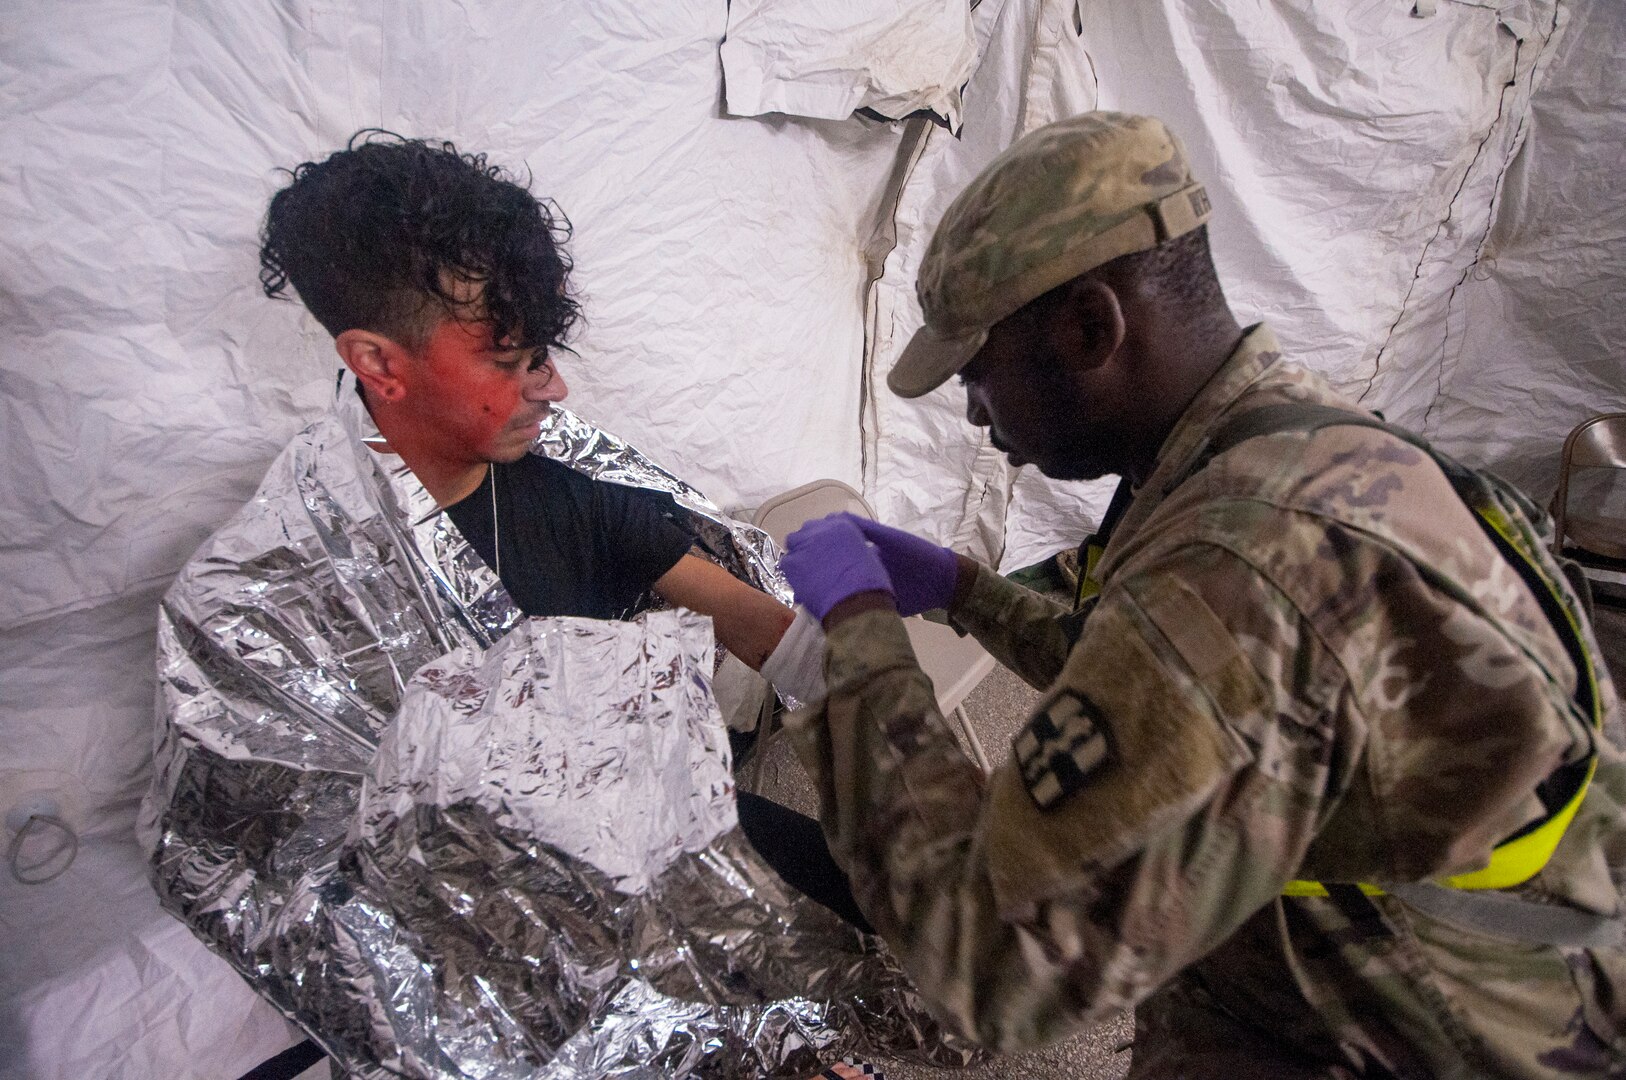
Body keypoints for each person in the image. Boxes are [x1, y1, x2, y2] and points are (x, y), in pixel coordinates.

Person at [777, 111, 1626, 1078]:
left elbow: (995, 961)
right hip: (1370, 973)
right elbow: (1163, 686)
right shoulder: (1284, 437)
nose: (976, 412)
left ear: (1093, 326)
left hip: (1425, 1037)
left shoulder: (1248, 564)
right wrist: (965, 589)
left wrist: (860, 636)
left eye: (981, 373)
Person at [258, 131, 869, 932]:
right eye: (515, 360)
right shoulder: (298, 572)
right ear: (378, 363)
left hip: (639, 830)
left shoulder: (570, 497)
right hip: (466, 925)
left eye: (545, 351)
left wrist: (901, 710)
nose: (556, 388)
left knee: (880, 907)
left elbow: (773, 639)